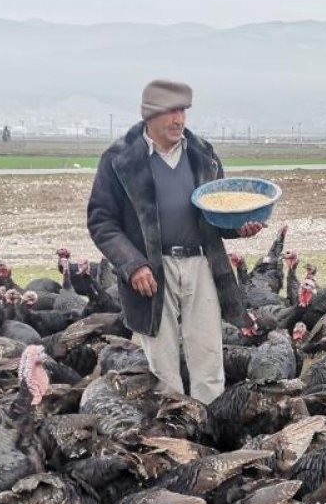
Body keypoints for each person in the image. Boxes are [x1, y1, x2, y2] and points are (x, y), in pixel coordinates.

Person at [87, 79, 263, 403]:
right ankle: (173, 437)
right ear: (150, 115)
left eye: (182, 111)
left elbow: (218, 214)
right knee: (162, 365)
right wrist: (133, 264)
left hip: (201, 264)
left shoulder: (202, 155)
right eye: (170, 111)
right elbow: (102, 221)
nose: (178, 119)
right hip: (152, 272)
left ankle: (210, 434)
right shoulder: (119, 160)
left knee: (208, 355)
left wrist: (240, 227)